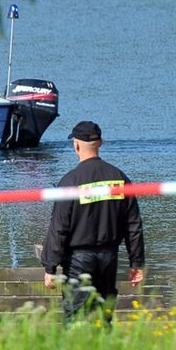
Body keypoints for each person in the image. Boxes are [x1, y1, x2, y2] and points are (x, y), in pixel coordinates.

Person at [41, 120, 146, 321]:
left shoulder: (70, 182)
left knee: (76, 316)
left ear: (76, 145)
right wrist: (136, 263)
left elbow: (59, 227)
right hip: (109, 258)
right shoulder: (119, 179)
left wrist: (50, 267)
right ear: (101, 143)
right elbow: (133, 225)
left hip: (78, 260)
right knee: (103, 315)